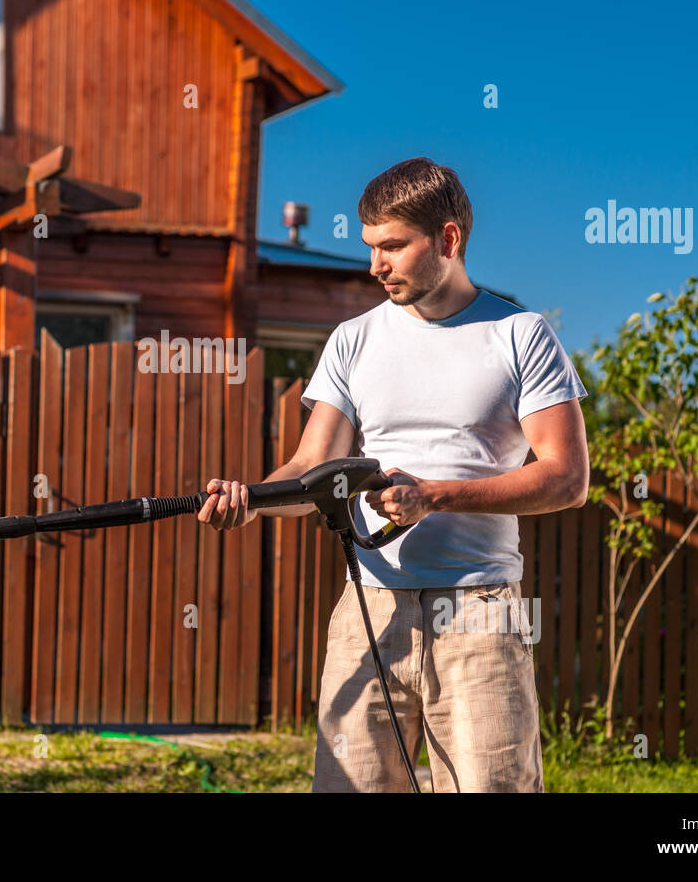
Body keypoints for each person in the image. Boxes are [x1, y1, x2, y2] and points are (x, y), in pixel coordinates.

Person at [197, 157, 589, 792]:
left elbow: (567, 478)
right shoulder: (354, 340)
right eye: (370, 246)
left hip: (479, 613)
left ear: (449, 239)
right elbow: (309, 469)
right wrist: (253, 499)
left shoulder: (520, 335)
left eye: (393, 246)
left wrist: (434, 496)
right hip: (368, 610)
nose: (374, 265)